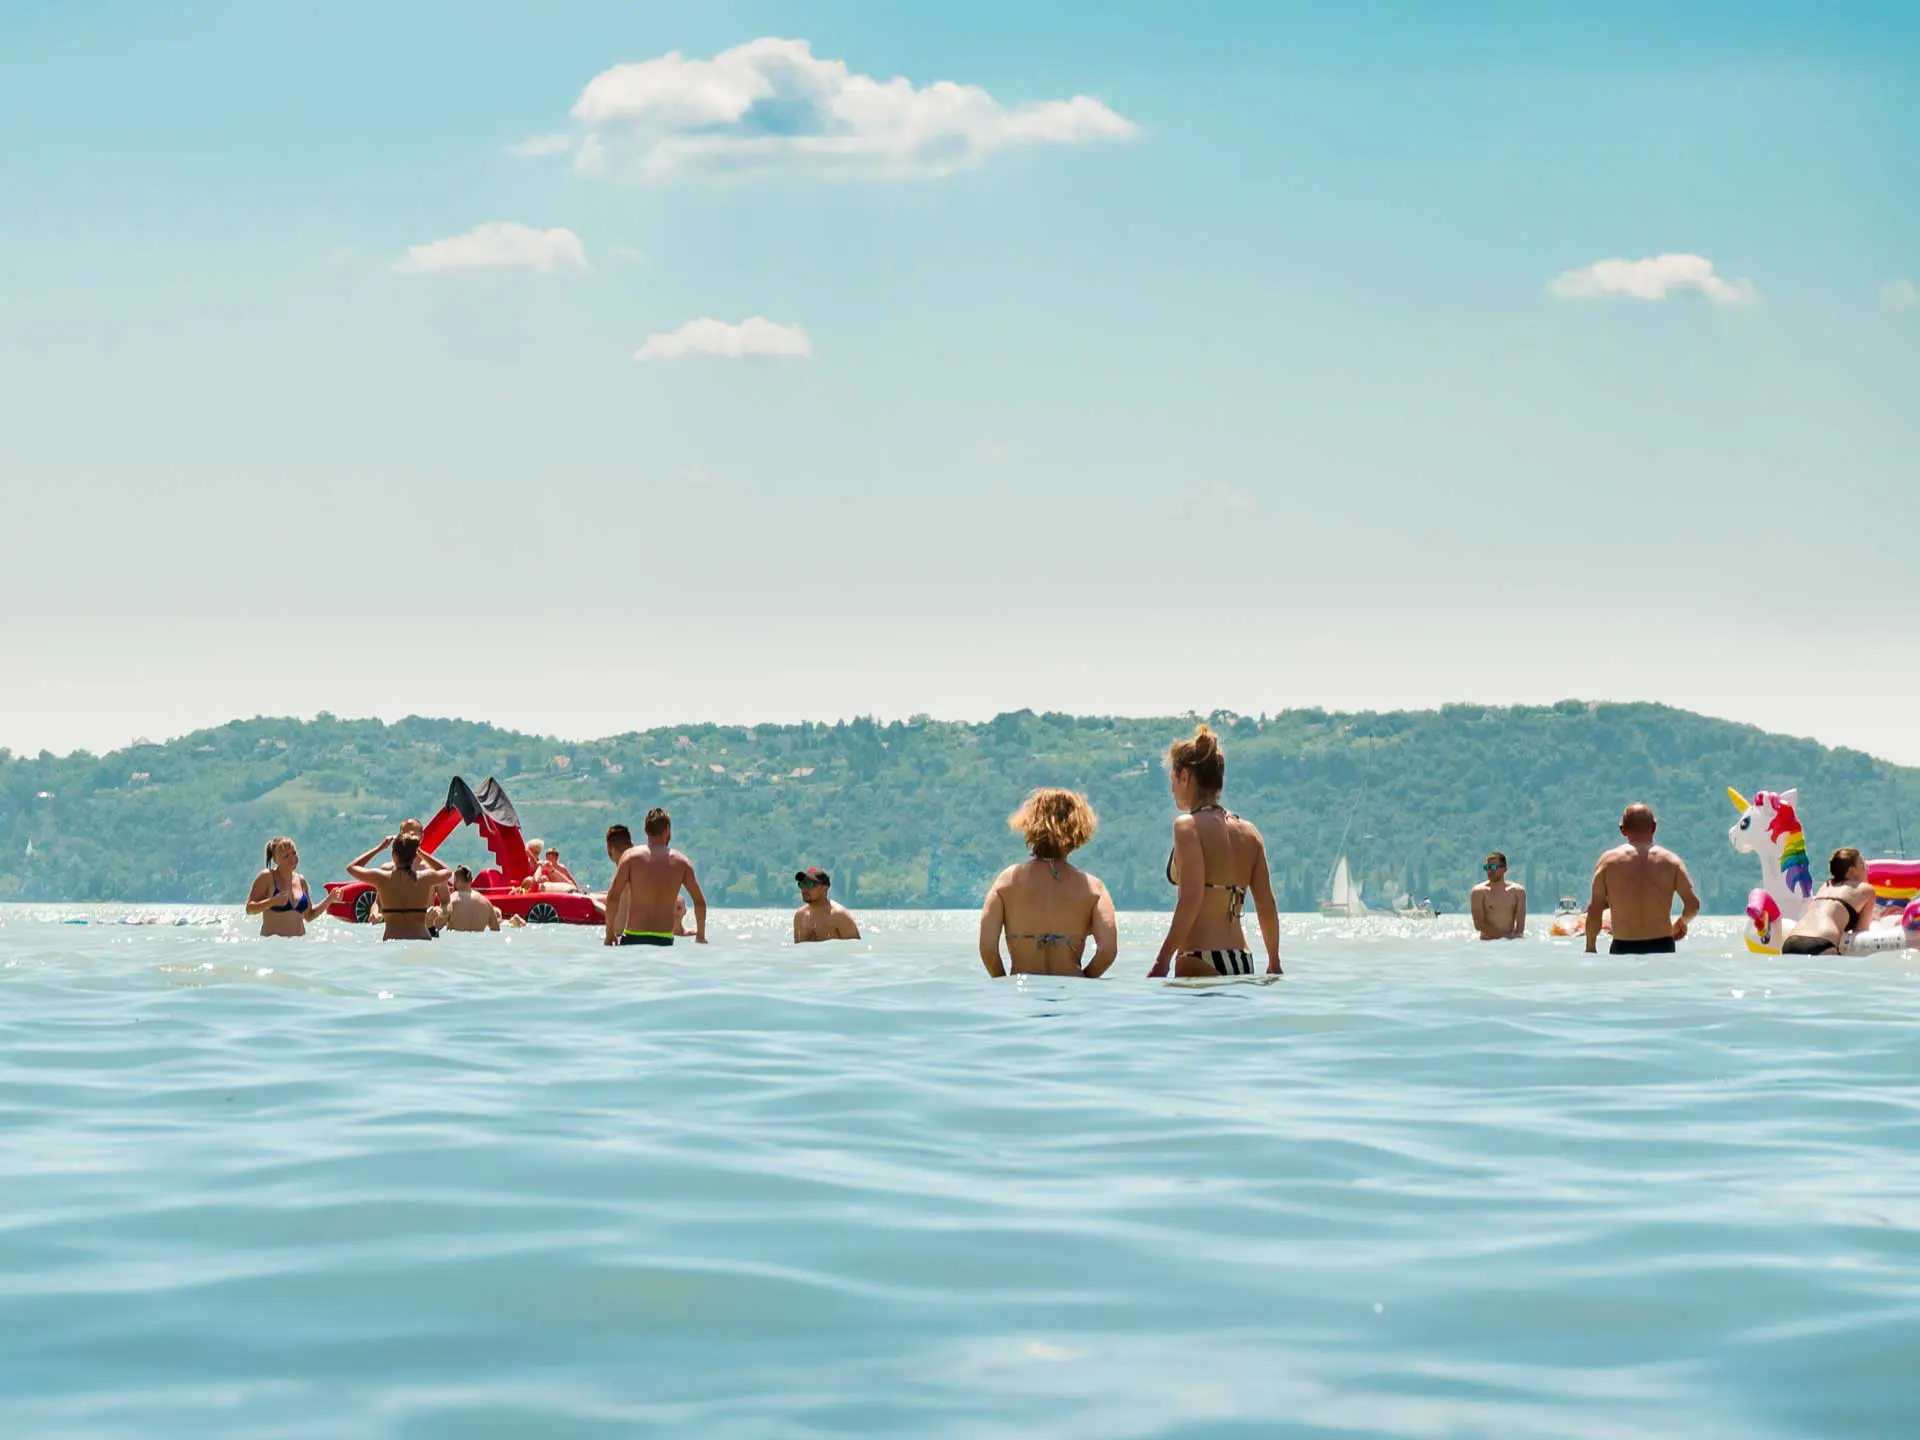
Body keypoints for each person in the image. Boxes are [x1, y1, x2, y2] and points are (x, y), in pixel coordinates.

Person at [1148, 725, 1282, 978]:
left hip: (1200, 956)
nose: (1171, 789)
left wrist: (1162, 961)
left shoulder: (1187, 826)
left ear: (1185, 776)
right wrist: (1274, 961)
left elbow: (1191, 898)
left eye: (1173, 780)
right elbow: (1266, 904)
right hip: (1242, 959)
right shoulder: (1250, 832)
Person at [979, 788, 1117, 977]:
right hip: (1070, 992)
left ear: (1029, 824)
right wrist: (1085, 979)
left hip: (1023, 994)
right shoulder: (1093, 889)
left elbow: (987, 947)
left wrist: (1003, 982)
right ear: (1079, 828)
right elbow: (1108, 951)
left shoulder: (1006, 882)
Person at [1585, 803, 1700, 956]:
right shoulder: (1672, 861)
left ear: (1622, 830)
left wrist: (1590, 948)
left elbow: (1595, 910)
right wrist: (1681, 923)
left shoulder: (1608, 862)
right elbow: (1693, 905)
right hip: (1662, 946)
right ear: (1654, 827)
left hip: (1622, 947)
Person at [603, 808, 708, 947]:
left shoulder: (629, 857)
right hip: (664, 941)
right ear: (667, 830)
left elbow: (612, 897)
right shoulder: (682, 862)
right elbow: (699, 902)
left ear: (646, 831)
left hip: (633, 938)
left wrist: (610, 933)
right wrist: (700, 935)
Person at [345, 827, 452, 942]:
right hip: (422, 940)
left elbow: (351, 868)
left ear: (393, 855)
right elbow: (447, 871)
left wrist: (379, 848)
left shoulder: (382, 878)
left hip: (392, 941)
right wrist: (420, 852)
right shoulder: (425, 878)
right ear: (415, 855)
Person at [1783, 848, 1878, 956]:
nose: (1866, 870)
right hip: (1821, 943)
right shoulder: (1866, 890)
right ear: (1852, 870)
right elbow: (1861, 934)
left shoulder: (1826, 886)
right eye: (1863, 866)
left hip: (1791, 941)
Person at [244, 836, 333, 938]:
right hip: (275, 947)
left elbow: (309, 915)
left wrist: (330, 899)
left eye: (294, 853)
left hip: (299, 947)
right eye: (286, 856)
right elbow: (249, 909)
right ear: (275, 859)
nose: (292, 858)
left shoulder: (301, 881)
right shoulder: (267, 877)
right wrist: (272, 902)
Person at [793, 867, 862, 943]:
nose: (804, 889)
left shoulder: (839, 915)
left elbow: (855, 949)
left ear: (825, 888)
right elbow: (797, 950)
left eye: (809, 884)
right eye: (801, 884)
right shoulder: (799, 916)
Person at [1470, 852, 1527, 940]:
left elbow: (1520, 928)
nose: (1490, 871)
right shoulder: (1478, 892)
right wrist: (1503, 938)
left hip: (1509, 943)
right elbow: (1479, 925)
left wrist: (1510, 941)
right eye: (1487, 868)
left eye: (1493, 867)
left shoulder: (1518, 892)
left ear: (1505, 869)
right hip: (1487, 943)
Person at [441, 865, 502, 933]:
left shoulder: (452, 900)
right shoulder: (486, 903)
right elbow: (496, 930)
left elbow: (438, 927)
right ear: (471, 880)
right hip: (479, 942)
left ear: (456, 880)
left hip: (457, 942)